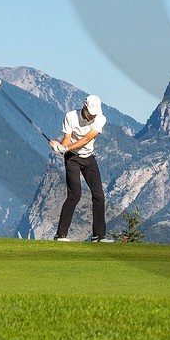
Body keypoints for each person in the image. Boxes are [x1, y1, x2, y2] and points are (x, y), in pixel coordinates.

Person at [52, 94, 112, 242]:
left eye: (94, 114)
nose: (92, 117)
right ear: (84, 107)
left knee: (99, 195)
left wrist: (63, 148)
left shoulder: (100, 118)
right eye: (90, 114)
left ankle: (98, 236)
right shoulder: (71, 116)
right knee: (75, 195)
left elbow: (86, 140)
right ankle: (60, 235)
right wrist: (60, 147)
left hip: (89, 158)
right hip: (72, 159)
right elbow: (67, 139)